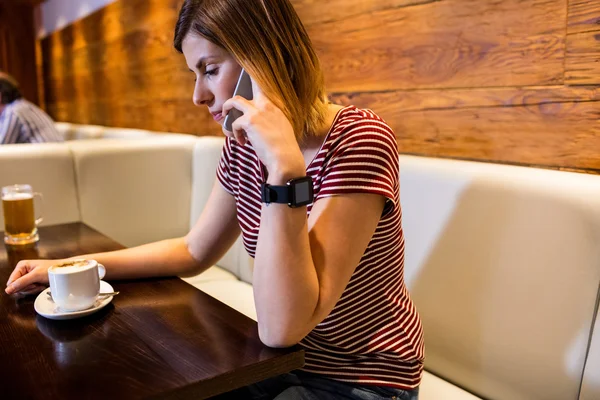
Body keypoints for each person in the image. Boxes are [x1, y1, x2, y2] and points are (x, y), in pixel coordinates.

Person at [5, 0, 424, 398]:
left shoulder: (359, 139)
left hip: (361, 378)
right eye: (194, 73)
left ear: (263, 59)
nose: (198, 96)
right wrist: (72, 267)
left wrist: (283, 170)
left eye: (209, 69)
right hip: (277, 363)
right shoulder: (242, 145)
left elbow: (282, 327)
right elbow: (193, 249)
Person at [0, 72, 63, 144]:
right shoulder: (20, 106)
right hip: (48, 153)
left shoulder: (14, 111)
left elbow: (3, 145)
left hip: (49, 154)